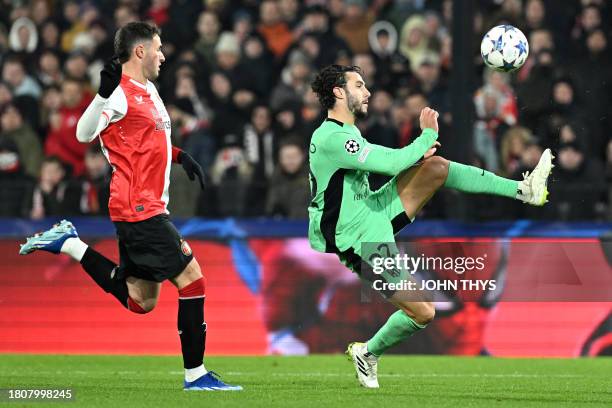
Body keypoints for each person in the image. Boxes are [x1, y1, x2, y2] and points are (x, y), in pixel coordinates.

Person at [19, 22, 241, 392]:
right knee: (193, 280)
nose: (163, 55)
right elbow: (83, 134)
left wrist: (178, 155)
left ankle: (69, 244)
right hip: (139, 207)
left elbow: (143, 143)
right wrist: (101, 94)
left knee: (141, 301)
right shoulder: (118, 94)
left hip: (142, 206)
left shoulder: (148, 89)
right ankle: (196, 375)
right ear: (140, 52)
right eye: (158, 48)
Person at [308, 65, 553, 388]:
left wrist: (421, 151)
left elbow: (392, 164)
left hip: (375, 211)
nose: (367, 92)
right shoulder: (331, 138)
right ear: (339, 92)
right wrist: (426, 134)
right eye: (359, 85)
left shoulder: (348, 132)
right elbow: (392, 163)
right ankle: (368, 353)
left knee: (435, 168)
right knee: (423, 312)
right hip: (357, 239)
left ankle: (524, 190)